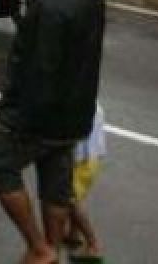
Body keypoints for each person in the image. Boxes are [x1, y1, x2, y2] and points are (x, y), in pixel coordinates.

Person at [0, 0, 105, 264]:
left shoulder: (48, 6)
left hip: (39, 117)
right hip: (76, 114)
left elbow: (41, 69)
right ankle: (52, 248)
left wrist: (19, 118)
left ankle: (39, 247)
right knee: (55, 184)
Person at [66, 103, 106, 263]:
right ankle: (73, 234)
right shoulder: (95, 105)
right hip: (92, 161)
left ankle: (93, 245)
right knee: (77, 197)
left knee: (70, 200)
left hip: (81, 162)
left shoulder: (79, 108)